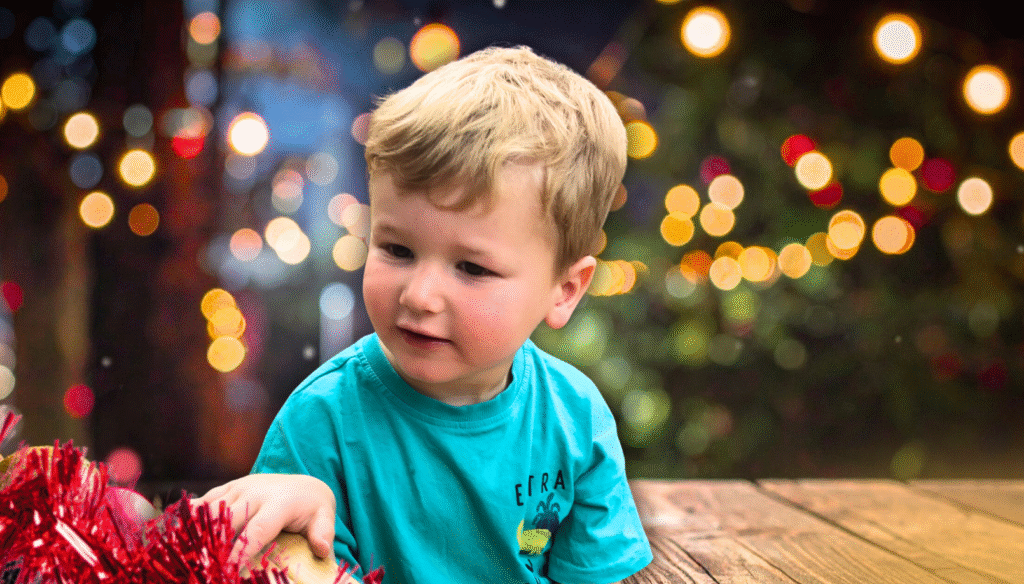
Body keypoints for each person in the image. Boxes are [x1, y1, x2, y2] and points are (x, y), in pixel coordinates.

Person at [197, 45, 652, 584]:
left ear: (565, 291)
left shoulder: (575, 421)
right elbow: (277, 566)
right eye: (397, 250)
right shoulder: (322, 422)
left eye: (472, 268)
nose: (419, 295)